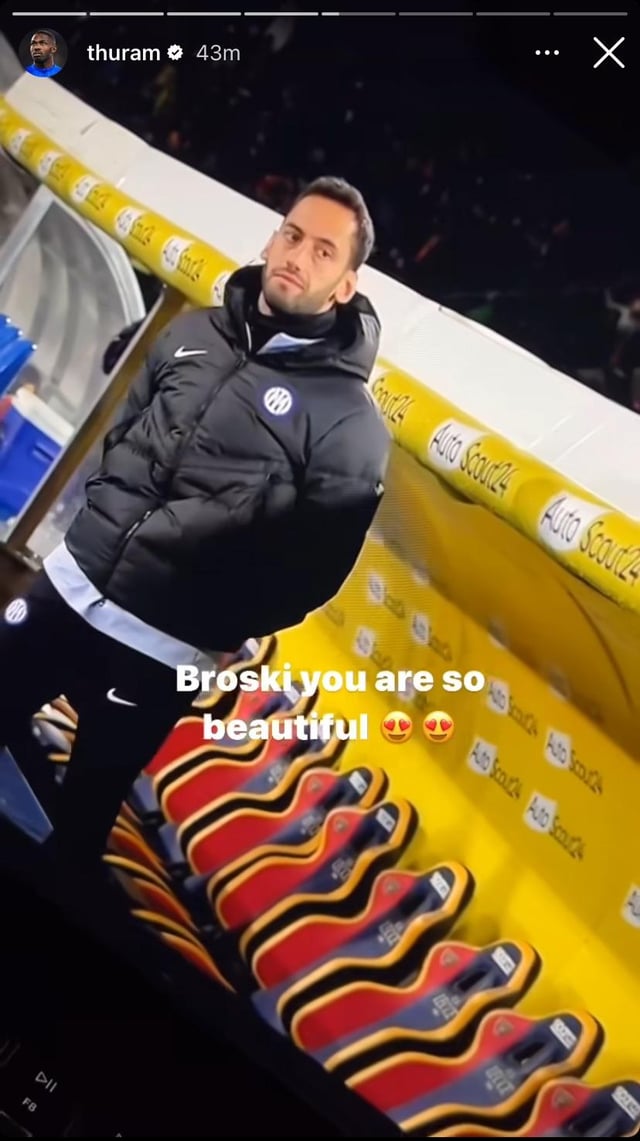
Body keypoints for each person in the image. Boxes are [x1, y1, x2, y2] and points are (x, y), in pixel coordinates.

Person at [0, 177, 390, 871]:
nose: (298, 255)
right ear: (273, 238)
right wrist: (99, 527)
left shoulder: (350, 425)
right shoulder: (193, 332)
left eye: (324, 251)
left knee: (75, 835)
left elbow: (314, 572)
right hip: (67, 586)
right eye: (293, 234)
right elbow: (124, 435)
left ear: (346, 285)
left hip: (156, 652)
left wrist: (206, 617)